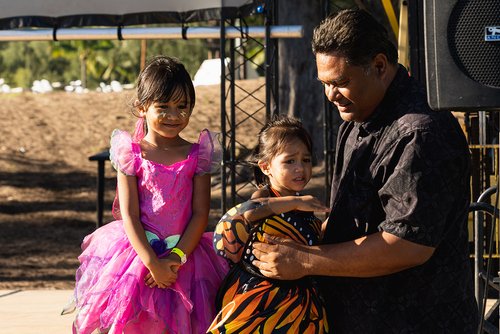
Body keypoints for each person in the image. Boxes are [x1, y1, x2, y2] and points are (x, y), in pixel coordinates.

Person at [250, 9, 479, 333]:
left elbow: (406, 245)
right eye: (325, 83)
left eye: (341, 82)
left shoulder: (421, 132)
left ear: (380, 66)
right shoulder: (359, 114)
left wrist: (303, 259)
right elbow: (352, 218)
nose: (330, 95)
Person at [71, 55, 228, 333]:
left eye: (182, 106)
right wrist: (152, 263)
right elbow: (129, 215)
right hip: (138, 257)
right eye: (163, 106)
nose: (173, 115)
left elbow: (201, 213)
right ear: (142, 107)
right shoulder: (130, 154)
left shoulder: (198, 155)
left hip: (187, 258)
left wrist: (175, 258)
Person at [208, 117, 330, 333]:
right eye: (290, 161)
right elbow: (250, 211)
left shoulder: (305, 208)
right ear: (266, 167)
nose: (300, 168)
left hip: (299, 304)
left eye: (307, 160)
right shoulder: (265, 196)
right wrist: (297, 201)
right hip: (261, 303)